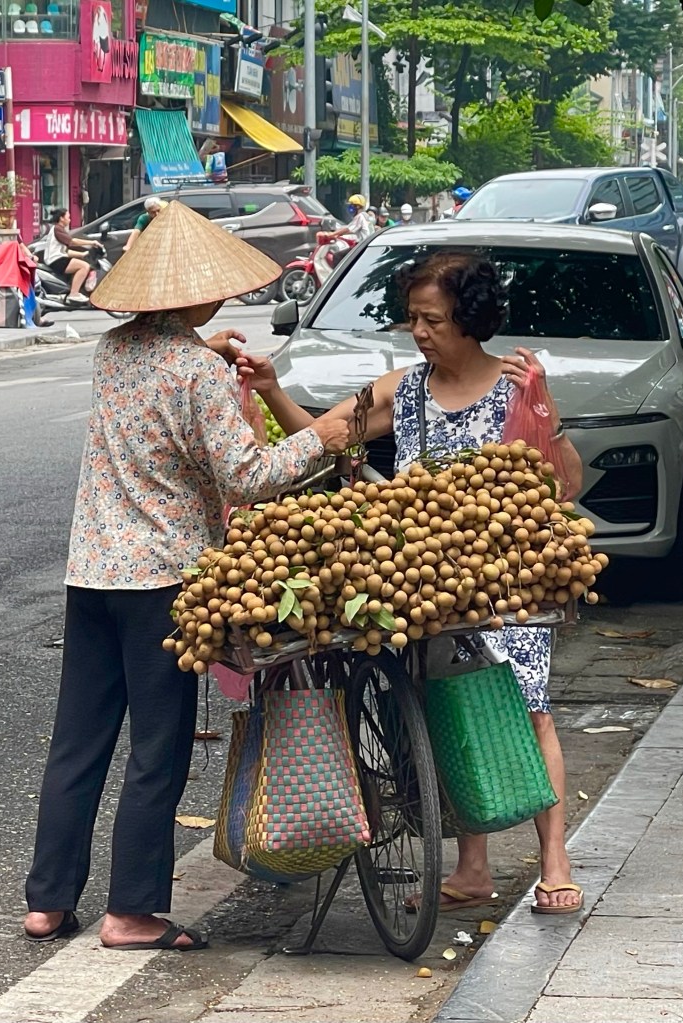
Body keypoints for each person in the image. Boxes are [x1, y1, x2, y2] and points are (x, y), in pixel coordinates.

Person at [22, 201, 350, 952]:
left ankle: (47, 899)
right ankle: (132, 909)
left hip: (92, 572)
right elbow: (247, 475)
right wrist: (323, 437)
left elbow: (162, 373)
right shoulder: (198, 373)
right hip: (164, 581)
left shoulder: (111, 351)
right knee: (158, 744)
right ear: (200, 294)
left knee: (80, 738)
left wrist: (206, 350)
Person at [240, 252, 586, 915]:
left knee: (529, 708)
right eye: (415, 319)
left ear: (471, 319)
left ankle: (554, 860)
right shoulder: (403, 389)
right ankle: (472, 866)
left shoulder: (518, 384)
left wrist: (548, 413)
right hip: (419, 579)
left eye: (433, 319)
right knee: (439, 711)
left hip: (501, 580)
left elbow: (565, 485)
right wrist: (270, 387)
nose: (420, 331)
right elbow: (327, 437)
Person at [42, 208, 102, 305]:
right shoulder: (58, 229)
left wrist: (82, 254)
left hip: (57, 259)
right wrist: (91, 243)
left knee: (83, 264)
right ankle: (74, 294)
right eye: (68, 217)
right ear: (61, 218)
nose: (69, 220)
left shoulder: (58, 229)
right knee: (84, 266)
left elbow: (66, 251)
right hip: (56, 260)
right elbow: (72, 242)